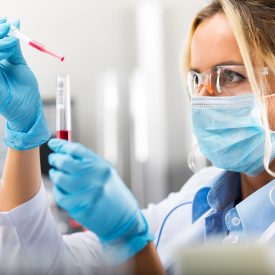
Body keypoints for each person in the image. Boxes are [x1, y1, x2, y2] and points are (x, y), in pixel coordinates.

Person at [1, 0, 275, 274]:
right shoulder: (200, 201)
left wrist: (131, 242)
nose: (203, 97)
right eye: (197, 78)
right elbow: (41, 264)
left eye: (230, 75)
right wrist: (24, 132)